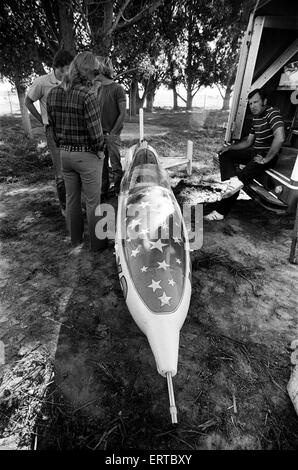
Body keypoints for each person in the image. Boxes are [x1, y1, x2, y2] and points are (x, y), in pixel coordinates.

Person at [47, 51, 105, 251]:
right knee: (92, 202)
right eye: (95, 71)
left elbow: (52, 129)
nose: (96, 75)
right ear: (88, 72)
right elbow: (96, 133)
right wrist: (100, 151)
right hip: (87, 156)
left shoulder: (53, 93)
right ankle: (97, 245)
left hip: (65, 155)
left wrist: (63, 145)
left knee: (71, 200)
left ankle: (76, 240)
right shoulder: (87, 95)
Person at [204, 88, 285, 221]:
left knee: (240, 179)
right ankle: (233, 181)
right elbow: (248, 142)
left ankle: (220, 212)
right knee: (226, 154)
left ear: (264, 101)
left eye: (256, 102)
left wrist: (266, 159)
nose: (252, 106)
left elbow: (280, 137)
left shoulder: (273, 113)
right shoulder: (256, 118)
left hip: (266, 155)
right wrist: (230, 147)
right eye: (250, 103)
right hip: (254, 152)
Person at [25, 50, 74, 215]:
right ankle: (65, 207)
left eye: (70, 69)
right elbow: (28, 101)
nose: (67, 73)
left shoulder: (71, 81)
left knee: (73, 168)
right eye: (64, 69)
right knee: (60, 171)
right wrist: (42, 121)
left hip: (70, 129)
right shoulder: (42, 82)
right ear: (56, 67)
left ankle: (74, 202)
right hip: (53, 131)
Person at [93, 56, 126, 199]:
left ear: (101, 71)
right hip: (99, 135)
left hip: (112, 135)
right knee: (102, 167)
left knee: (116, 166)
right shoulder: (97, 89)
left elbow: (122, 113)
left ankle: (119, 190)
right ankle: (103, 193)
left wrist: (112, 134)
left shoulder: (118, 89)